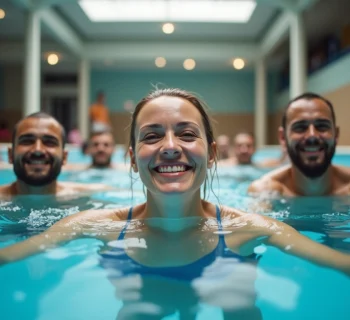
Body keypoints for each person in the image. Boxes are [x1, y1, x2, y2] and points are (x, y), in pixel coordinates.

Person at [0, 89, 349, 318]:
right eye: (152, 136)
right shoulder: (91, 225)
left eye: (186, 133)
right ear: (133, 159)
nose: (170, 147)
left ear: (212, 155)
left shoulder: (249, 228)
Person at [248, 92, 350, 197]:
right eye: (300, 127)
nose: (312, 136)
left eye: (322, 126)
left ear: (336, 135)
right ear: (283, 138)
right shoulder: (266, 189)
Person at [0, 112, 112, 197]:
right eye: (27, 141)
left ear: (64, 157)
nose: (38, 150)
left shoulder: (88, 196)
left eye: (49, 142)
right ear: (10, 154)